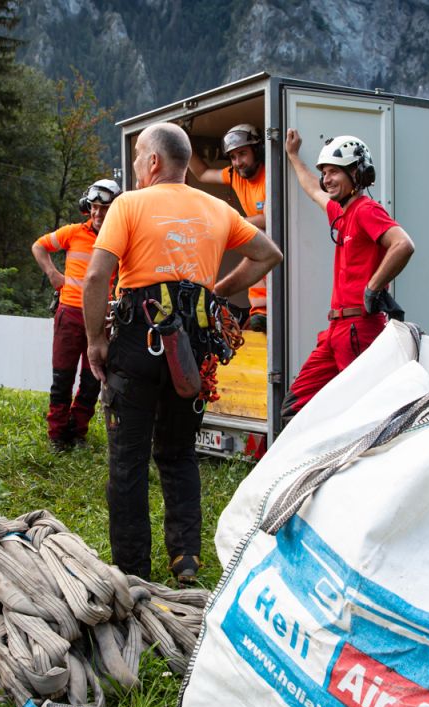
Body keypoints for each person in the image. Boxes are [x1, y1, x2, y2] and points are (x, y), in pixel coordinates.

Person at [83, 123, 282, 585]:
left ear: (153, 161)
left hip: (137, 340)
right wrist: (217, 291)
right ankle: (185, 558)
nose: (136, 164)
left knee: (128, 460)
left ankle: (133, 570)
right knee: (178, 453)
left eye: (138, 156)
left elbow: (95, 277)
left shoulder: (128, 205)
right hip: (192, 347)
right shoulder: (217, 208)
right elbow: (268, 254)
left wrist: (95, 341)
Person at [281, 129, 415, 422]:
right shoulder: (341, 213)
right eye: (324, 172)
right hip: (336, 331)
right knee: (295, 409)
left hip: (359, 328)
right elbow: (312, 189)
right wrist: (293, 155)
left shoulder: (366, 210)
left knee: (362, 416)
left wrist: (373, 288)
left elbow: (403, 244)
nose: (326, 179)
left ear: (357, 173)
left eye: (334, 172)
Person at [31, 178, 122, 450]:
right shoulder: (73, 232)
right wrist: (52, 273)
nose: (97, 213)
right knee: (63, 377)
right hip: (69, 313)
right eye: (94, 207)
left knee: (93, 379)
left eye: (104, 208)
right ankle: (57, 435)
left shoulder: (120, 239)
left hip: (102, 317)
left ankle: (77, 431)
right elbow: (39, 246)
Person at [188, 123, 269, 330]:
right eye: (233, 157)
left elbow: (268, 219)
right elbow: (202, 174)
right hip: (261, 242)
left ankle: (265, 311)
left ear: (257, 150)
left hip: (278, 244)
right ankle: (259, 312)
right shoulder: (234, 174)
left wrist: (230, 223)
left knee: (257, 236)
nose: (238, 162)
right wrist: (183, 141)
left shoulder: (270, 175)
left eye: (242, 154)